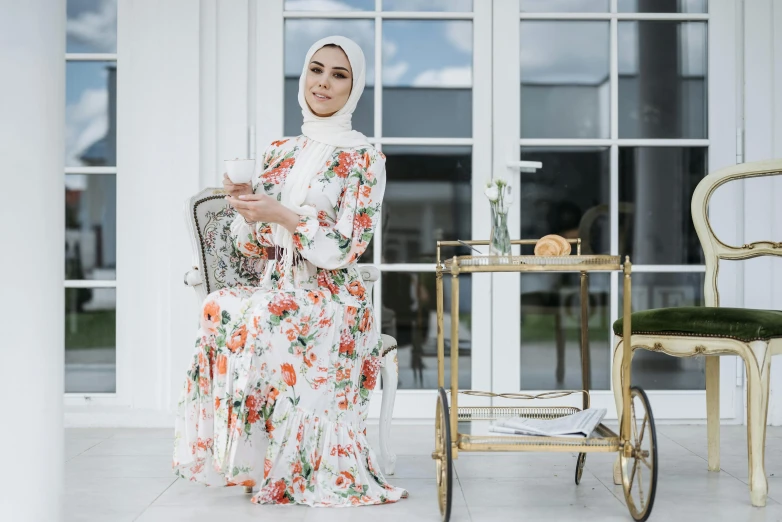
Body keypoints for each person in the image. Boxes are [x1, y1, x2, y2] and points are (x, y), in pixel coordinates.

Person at [173, 36, 408, 508]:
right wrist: (246, 210)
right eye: (316, 70)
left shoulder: (365, 158)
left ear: (354, 87)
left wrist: (283, 215)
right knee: (218, 305)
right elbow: (249, 244)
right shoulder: (279, 150)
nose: (323, 82)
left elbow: (348, 246)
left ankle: (298, 467)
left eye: (339, 75)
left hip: (334, 296)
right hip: (276, 281)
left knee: (266, 317)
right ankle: (245, 461)